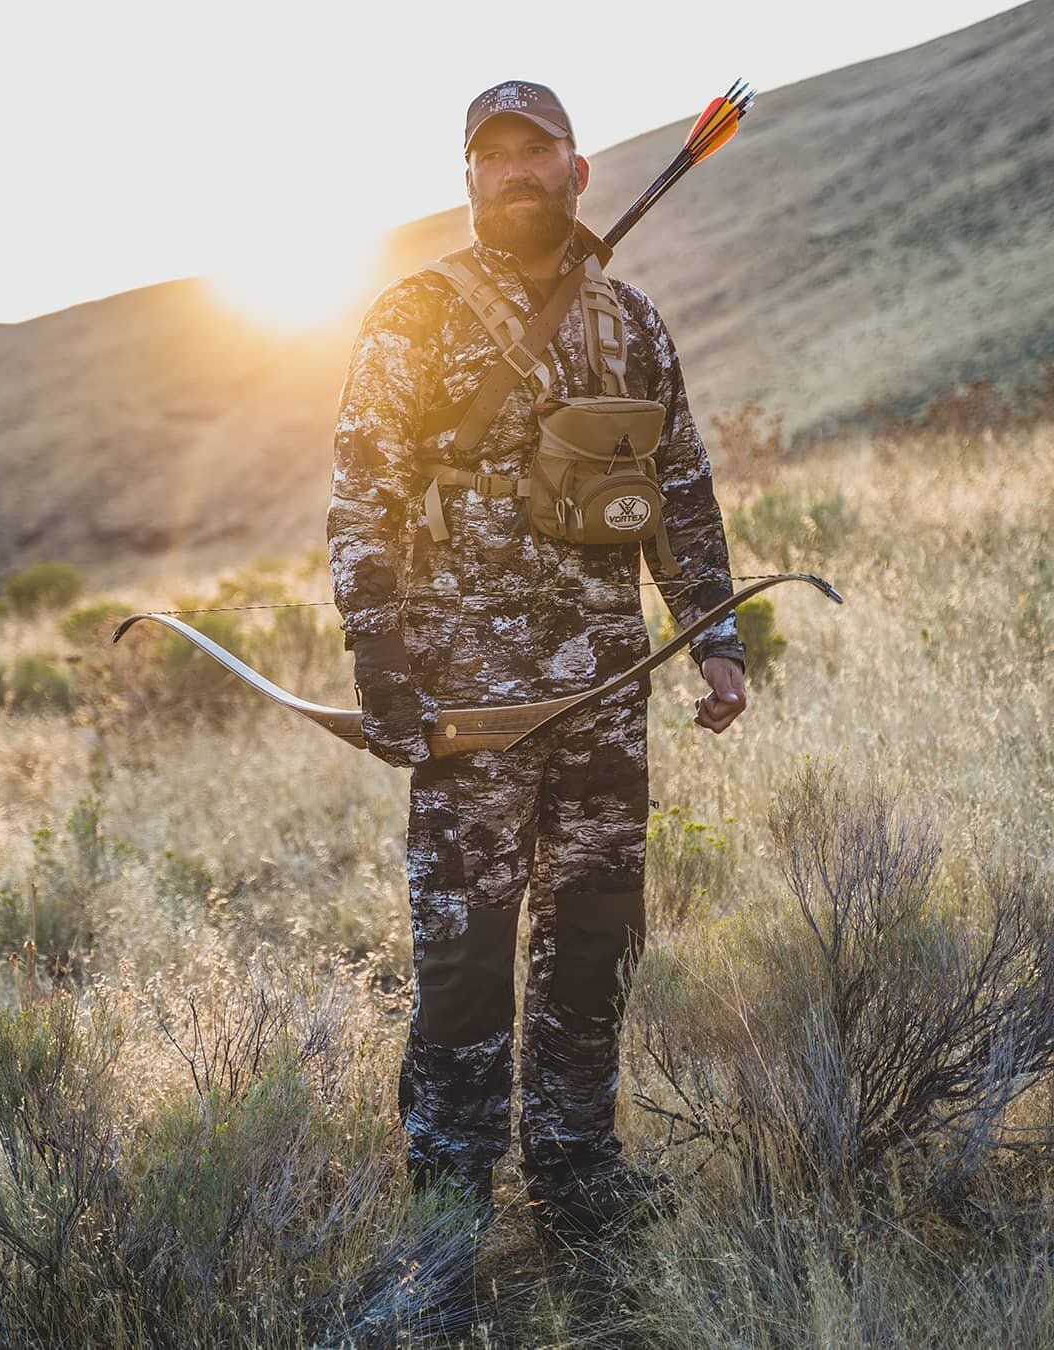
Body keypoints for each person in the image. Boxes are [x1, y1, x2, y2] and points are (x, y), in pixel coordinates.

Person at [327, 81, 746, 1236]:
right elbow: (362, 490)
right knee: (464, 959)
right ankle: (450, 1199)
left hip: (609, 692)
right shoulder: (411, 314)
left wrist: (714, 637)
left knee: (596, 938)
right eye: (493, 157)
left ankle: (575, 1168)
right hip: (467, 705)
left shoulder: (633, 321)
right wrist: (380, 658)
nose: (515, 171)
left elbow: (680, 488)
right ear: (468, 180)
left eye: (537, 152)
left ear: (578, 169)